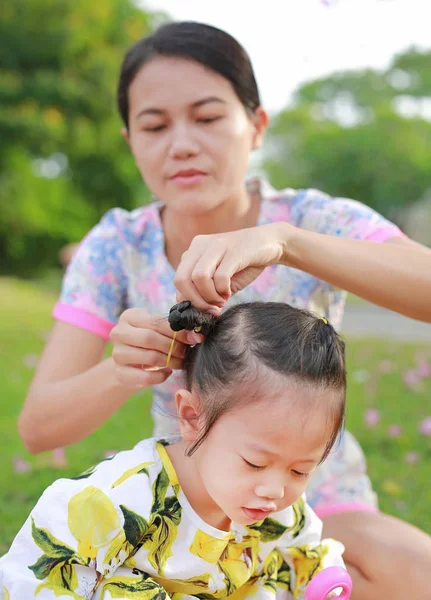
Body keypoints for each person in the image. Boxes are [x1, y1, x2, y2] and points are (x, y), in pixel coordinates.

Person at [18, 21, 431, 599]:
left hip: (314, 498)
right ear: (130, 140)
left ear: (256, 126)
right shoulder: (115, 247)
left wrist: (286, 241)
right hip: (188, 501)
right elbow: (39, 427)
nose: (180, 143)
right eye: (154, 125)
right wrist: (122, 369)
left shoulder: (310, 220)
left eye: (208, 117)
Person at [1, 301, 347, 600]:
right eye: (255, 463)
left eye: (301, 470)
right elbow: (37, 572)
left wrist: (322, 581)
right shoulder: (121, 497)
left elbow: (307, 550)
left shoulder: (279, 512)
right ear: (192, 418)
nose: (275, 490)